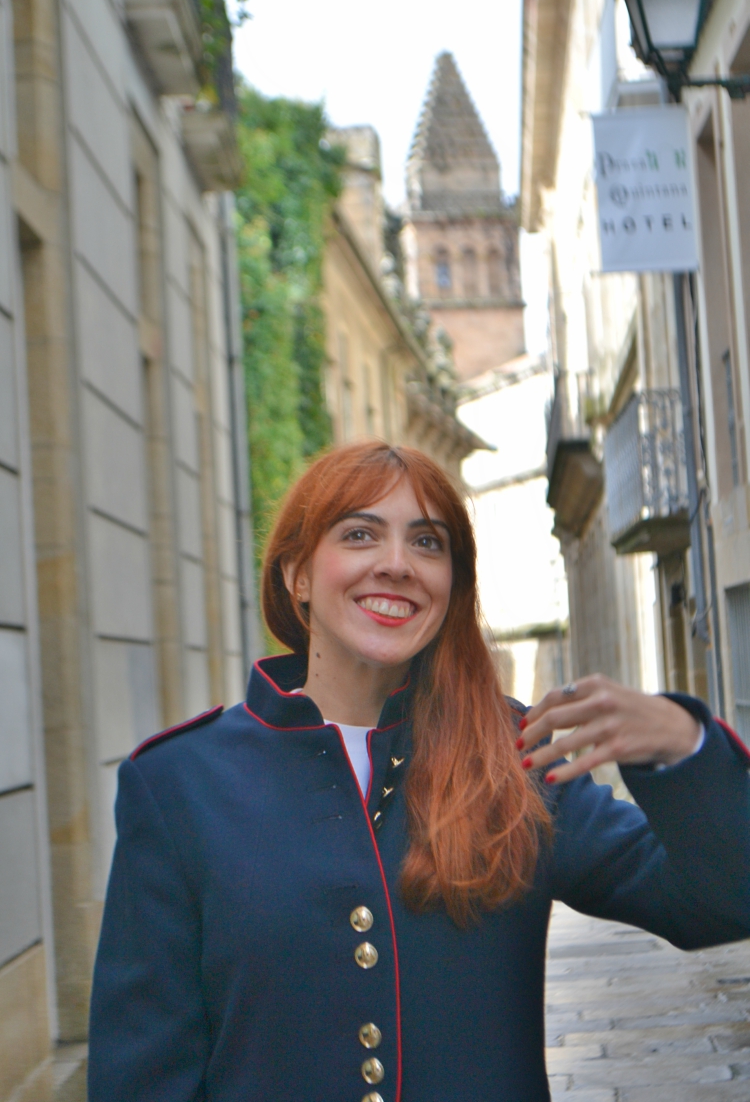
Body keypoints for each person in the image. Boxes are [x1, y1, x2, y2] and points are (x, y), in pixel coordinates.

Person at [88, 441, 750, 1102]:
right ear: (297, 575)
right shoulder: (178, 783)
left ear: (452, 585)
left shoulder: (512, 753)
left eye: (428, 542)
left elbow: (723, 901)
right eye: (359, 534)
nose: (397, 564)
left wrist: (684, 746)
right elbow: (144, 1076)